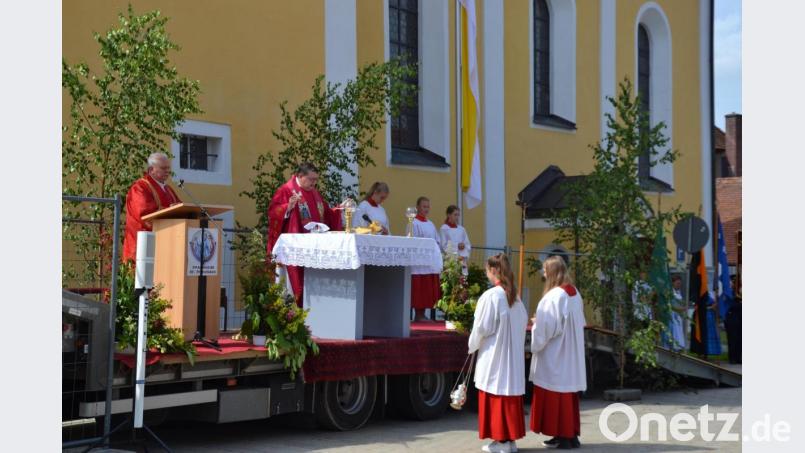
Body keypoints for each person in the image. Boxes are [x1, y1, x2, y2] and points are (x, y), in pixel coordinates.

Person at [468, 253, 528, 453]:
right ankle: (508, 440)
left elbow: (482, 327)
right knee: (507, 395)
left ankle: (501, 442)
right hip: (511, 356)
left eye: (487, 270)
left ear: (493, 271)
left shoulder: (491, 296)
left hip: (495, 356)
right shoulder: (515, 297)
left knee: (495, 394)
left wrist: (472, 344)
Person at [529, 256, 586, 450]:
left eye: (545, 271)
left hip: (556, 353)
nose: (543, 275)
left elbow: (547, 329)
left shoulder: (553, 297)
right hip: (571, 353)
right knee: (568, 395)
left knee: (556, 396)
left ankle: (563, 435)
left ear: (552, 273)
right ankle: (569, 435)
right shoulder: (574, 293)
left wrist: (536, 325)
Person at [266, 162, 343, 306]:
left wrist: (338, 210)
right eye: (311, 179)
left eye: (316, 179)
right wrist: (287, 207)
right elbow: (272, 212)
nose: (314, 183)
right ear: (300, 176)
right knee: (295, 285)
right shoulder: (286, 190)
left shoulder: (314, 193)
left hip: (313, 248)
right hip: (293, 248)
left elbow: (326, 214)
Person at [123, 152, 181, 262]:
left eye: (168, 168)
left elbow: (180, 209)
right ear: (151, 170)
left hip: (166, 245)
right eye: (163, 168)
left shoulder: (168, 189)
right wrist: (171, 210)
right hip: (143, 246)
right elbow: (145, 215)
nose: (167, 171)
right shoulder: (140, 188)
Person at [411, 196, 442, 322]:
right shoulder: (413, 222)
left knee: (427, 289)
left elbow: (437, 240)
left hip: (429, 261)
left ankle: (423, 314)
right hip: (419, 262)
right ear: (417, 207)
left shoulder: (430, 224)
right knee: (419, 289)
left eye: (428, 206)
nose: (426, 209)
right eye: (424, 206)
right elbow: (412, 241)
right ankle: (418, 314)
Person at [439, 205, 472, 275]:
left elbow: (467, 244)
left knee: (462, 281)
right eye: (455, 215)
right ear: (448, 215)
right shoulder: (444, 228)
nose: (457, 217)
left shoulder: (462, 229)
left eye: (458, 215)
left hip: (461, 259)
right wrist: (457, 246)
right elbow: (443, 245)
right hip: (450, 261)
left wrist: (464, 246)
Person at [668, 275, 687, 351]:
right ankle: (674, 347)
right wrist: (681, 309)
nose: (679, 285)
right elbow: (671, 306)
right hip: (673, 315)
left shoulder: (679, 292)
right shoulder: (671, 293)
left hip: (679, 316)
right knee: (675, 331)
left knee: (679, 331)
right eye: (677, 283)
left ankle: (679, 347)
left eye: (680, 283)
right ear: (673, 283)